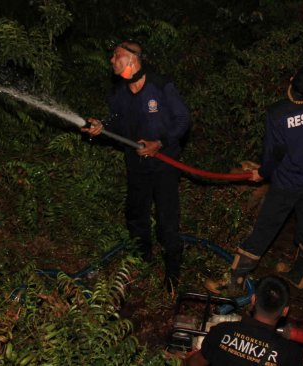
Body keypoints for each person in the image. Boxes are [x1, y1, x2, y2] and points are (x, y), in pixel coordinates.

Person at [204, 66, 303, 293]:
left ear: (291, 82)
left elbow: (274, 152)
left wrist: (263, 172)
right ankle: (300, 274)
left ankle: (235, 281)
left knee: (265, 227)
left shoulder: (278, 113)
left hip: (288, 182)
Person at [81, 40, 190, 292]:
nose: (111, 60)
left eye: (116, 55)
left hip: (164, 164)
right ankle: (143, 262)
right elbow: (116, 121)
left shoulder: (160, 86)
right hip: (136, 163)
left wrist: (160, 143)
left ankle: (172, 275)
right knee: (136, 214)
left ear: (132, 59)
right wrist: (101, 126)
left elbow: (183, 119)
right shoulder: (119, 92)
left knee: (166, 220)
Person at [185, 276, 303, 366]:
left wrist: (188, 358)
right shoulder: (291, 353)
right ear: (285, 311)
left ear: (253, 300)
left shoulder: (222, 331)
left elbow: (194, 363)